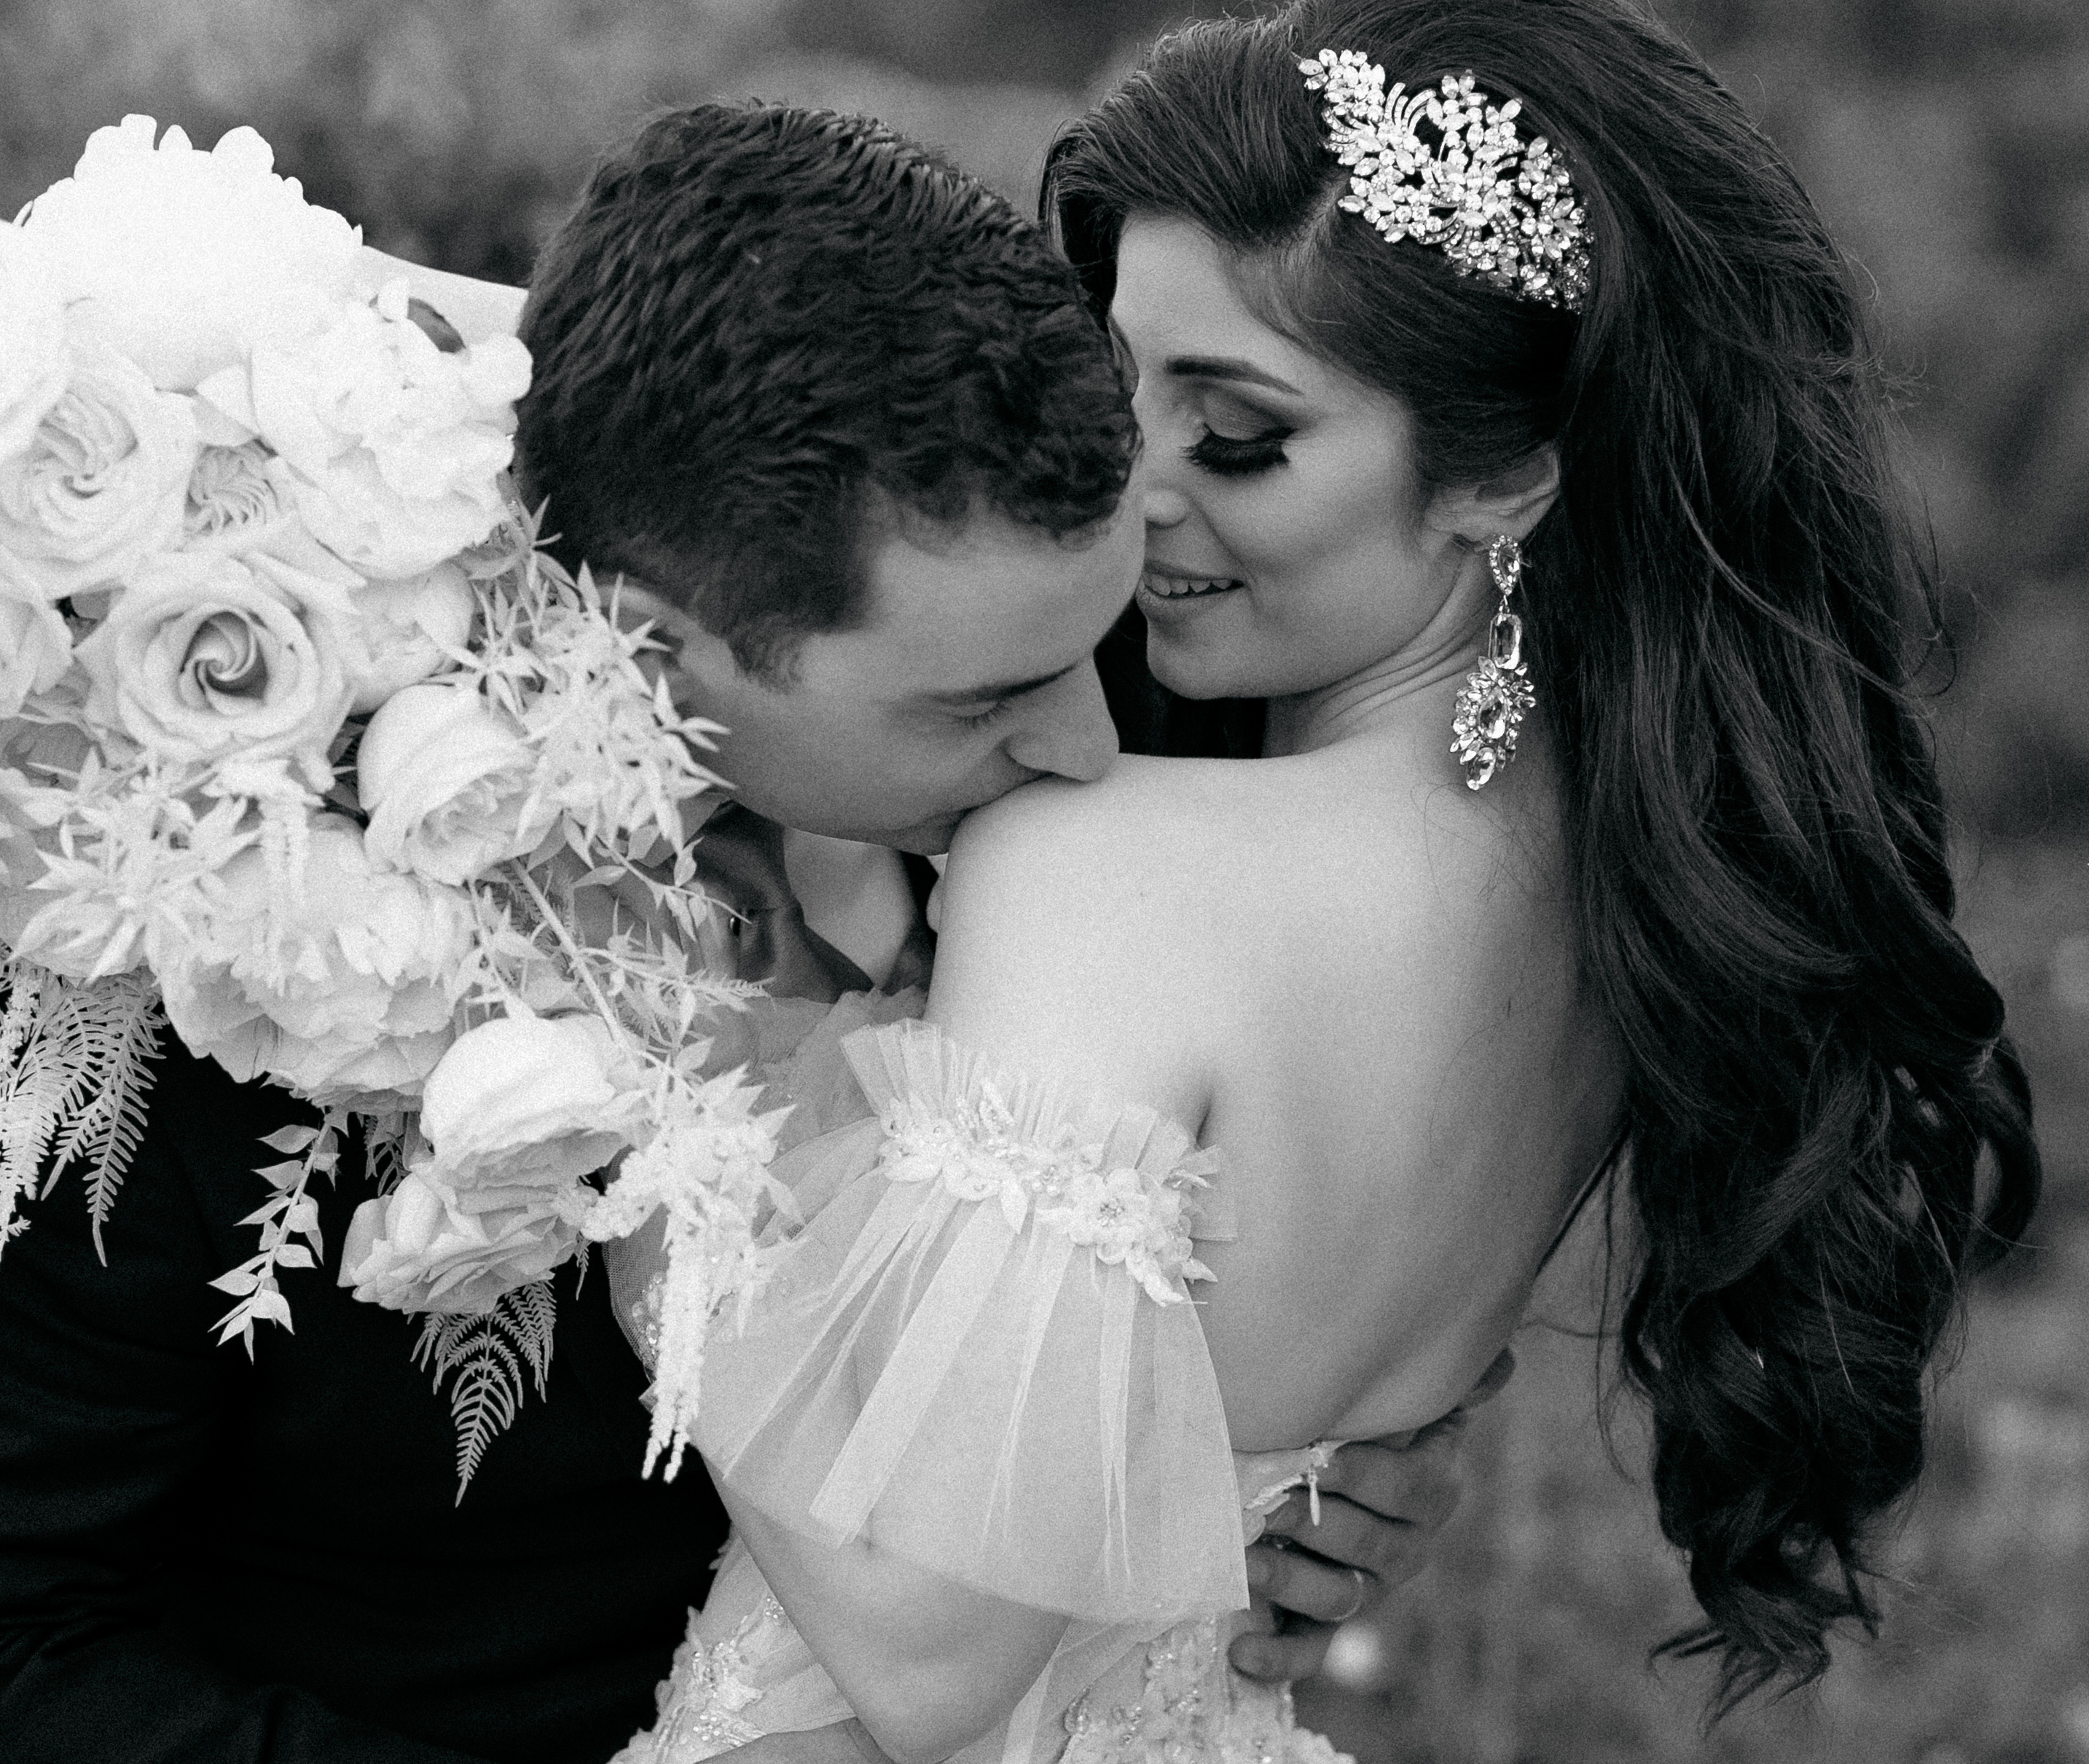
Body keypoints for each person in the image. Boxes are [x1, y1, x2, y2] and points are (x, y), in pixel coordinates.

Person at [586, 1, 2041, 1760]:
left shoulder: (1111, 876)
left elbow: (928, 1650)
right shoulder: (1623, 900)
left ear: (1503, 474)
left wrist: (639, 1140)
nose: (1138, 498)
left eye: (1245, 438)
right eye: (1115, 394)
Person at [0, 95, 1470, 1764]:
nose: (1085, 748)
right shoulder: (214, 955)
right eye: (985, 700)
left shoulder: (1069, 768)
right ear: (652, 650)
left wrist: (1293, 1476)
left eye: (1099, 641)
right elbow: (30, 1644)